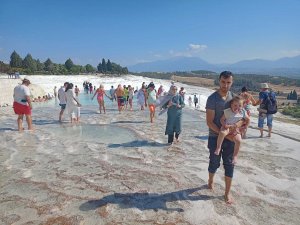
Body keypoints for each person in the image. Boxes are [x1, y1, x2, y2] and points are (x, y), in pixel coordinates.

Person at [206, 71, 244, 204]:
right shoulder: (212, 99)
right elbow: (209, 122)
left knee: (229, 165)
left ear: (232, 83)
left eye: (228, 82)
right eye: (223, 82)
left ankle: (227, 193)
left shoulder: (234, 98)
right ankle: (210, 181)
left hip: (231, 137)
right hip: (215, 136)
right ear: (219, 81)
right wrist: (225, 134)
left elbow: (242, 118)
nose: (225, 85)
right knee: (214, 162)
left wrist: (237, 126)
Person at [214, 96, 250, 164]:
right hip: (227, 127)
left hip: (236, 129)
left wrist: (245, 127)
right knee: (222, 133)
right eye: (235, 105)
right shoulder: (228, 111)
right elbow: (222, 119)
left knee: (239, 140)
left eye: (240, 106)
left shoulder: (242, 112)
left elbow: (248, 119)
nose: (237, 107)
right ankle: (218, 147)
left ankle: (235, 156)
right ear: (231, 105)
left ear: (242, 106)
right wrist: (224, 125)